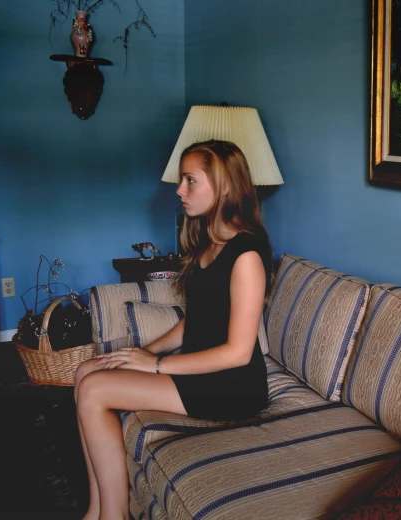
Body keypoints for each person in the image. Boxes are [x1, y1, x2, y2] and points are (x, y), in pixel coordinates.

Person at [73, 140, 272, 520]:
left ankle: (114, 515)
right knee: (88, 370)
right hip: (200, 373)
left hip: (232, 386)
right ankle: (95, 509)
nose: (179, 190)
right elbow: (193, 321)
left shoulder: (246, 256)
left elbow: (238, 353)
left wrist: (156, 367)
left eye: (190, 180)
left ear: (224, 185)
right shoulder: (207, 244)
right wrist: (144, 353)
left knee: (96, 389)